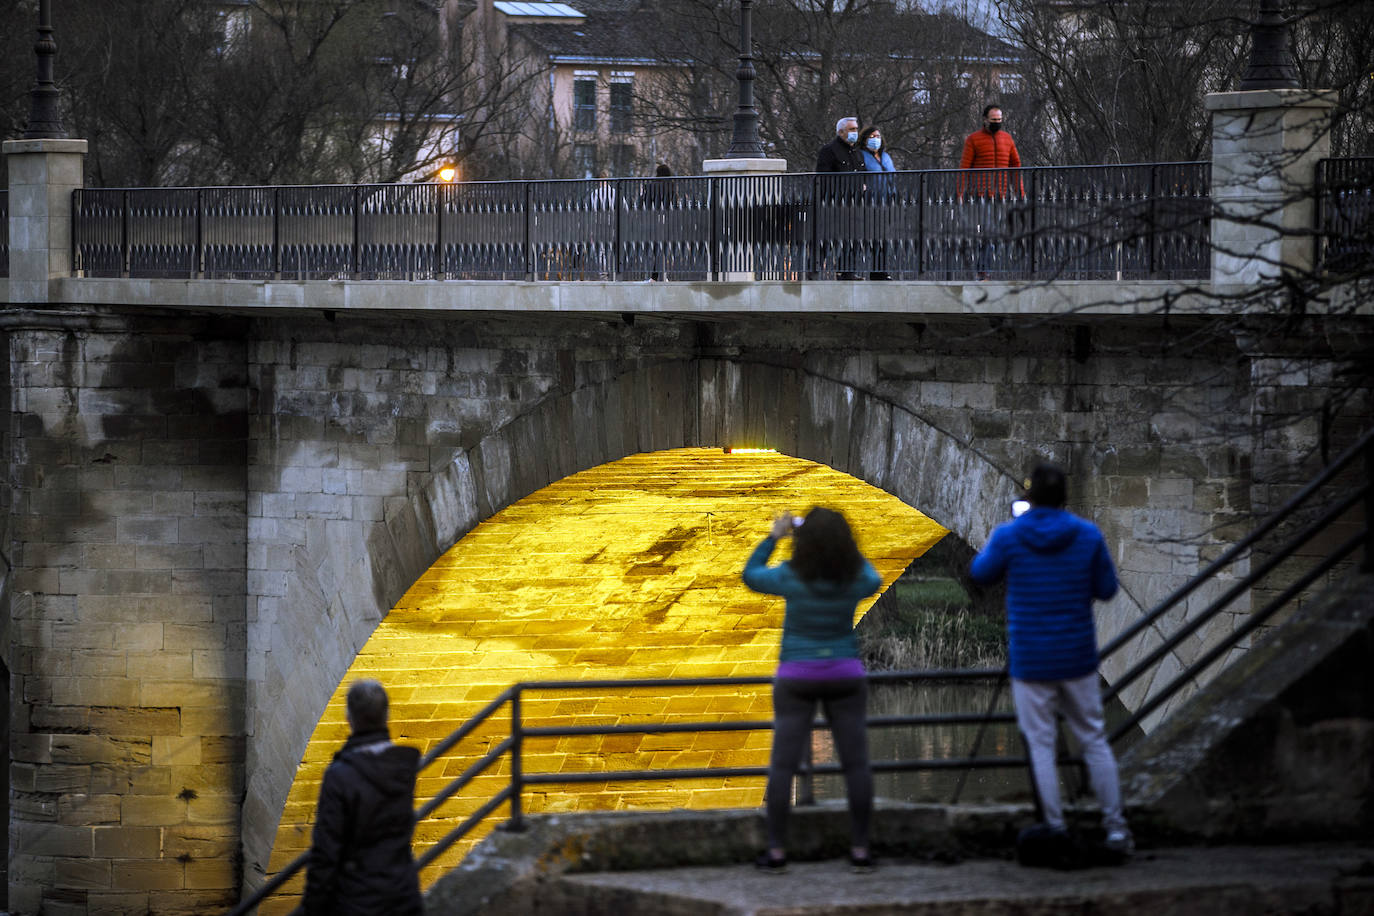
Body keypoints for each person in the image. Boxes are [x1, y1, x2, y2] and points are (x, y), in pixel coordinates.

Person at [968, 464, 1133, 857]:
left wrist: (1010, 545)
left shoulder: (1011, 535)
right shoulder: (1088, 535)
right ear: (1064, 499)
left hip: (1031, 660)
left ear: (1029, 498)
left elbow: (980, 572)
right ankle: (1115, 830)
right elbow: (1107, 589)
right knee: (1093, 739)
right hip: (1076, 656)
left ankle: (1055, 828)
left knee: (1040, 745)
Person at [742, 506, 883, 873]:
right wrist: (847, 549)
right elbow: (873, 578)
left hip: (797, 675)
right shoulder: (853, 577)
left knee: (782, 766)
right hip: (844, 673)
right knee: (856, 765)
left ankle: (775, 852)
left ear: (802, 541)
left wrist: (775, 537)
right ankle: (861, 850)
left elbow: (751, 575)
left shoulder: (791, 575)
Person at [304, 679, 424, 915]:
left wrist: (312, 907)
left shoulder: (341, 775)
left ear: (348, 718)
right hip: (403, 893)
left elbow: (326, 851)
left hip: (359, 899)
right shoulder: (402, 766)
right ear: (386, 715)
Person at [957, 104, 1024, 279]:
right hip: (981, 195)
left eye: (1000, 120)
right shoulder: (974, 139)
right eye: (994, 120)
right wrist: (960, 192)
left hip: (1001, 195)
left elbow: (1015, 164)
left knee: (998, 233)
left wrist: (1019, 190)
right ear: (985, 120)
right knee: (988, 231)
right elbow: (964, 167)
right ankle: (984, 270)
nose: (997, 122)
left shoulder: (1007, 139)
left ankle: (986, 268)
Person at [815, 116, 865, 279]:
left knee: (853, 238)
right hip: (834, 203)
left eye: (856, 129)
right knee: (827, 238)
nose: (855, 133)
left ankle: (847, 271)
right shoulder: (829, 150)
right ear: (841, 132)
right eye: (851, 129)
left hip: (854, 203)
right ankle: (814, 270)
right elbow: (823, 177)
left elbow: (862, 175)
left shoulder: (856, 152)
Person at [858, 125, 896, 280]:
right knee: (871, 236)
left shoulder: (885, 156)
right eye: (872, 137)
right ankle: (865, 269)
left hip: (887, 202)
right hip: (869, 202)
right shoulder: (861, 156)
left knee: (885, 237)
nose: (876, 140)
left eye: (878, 136)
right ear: (865, 139)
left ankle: (881, 270)